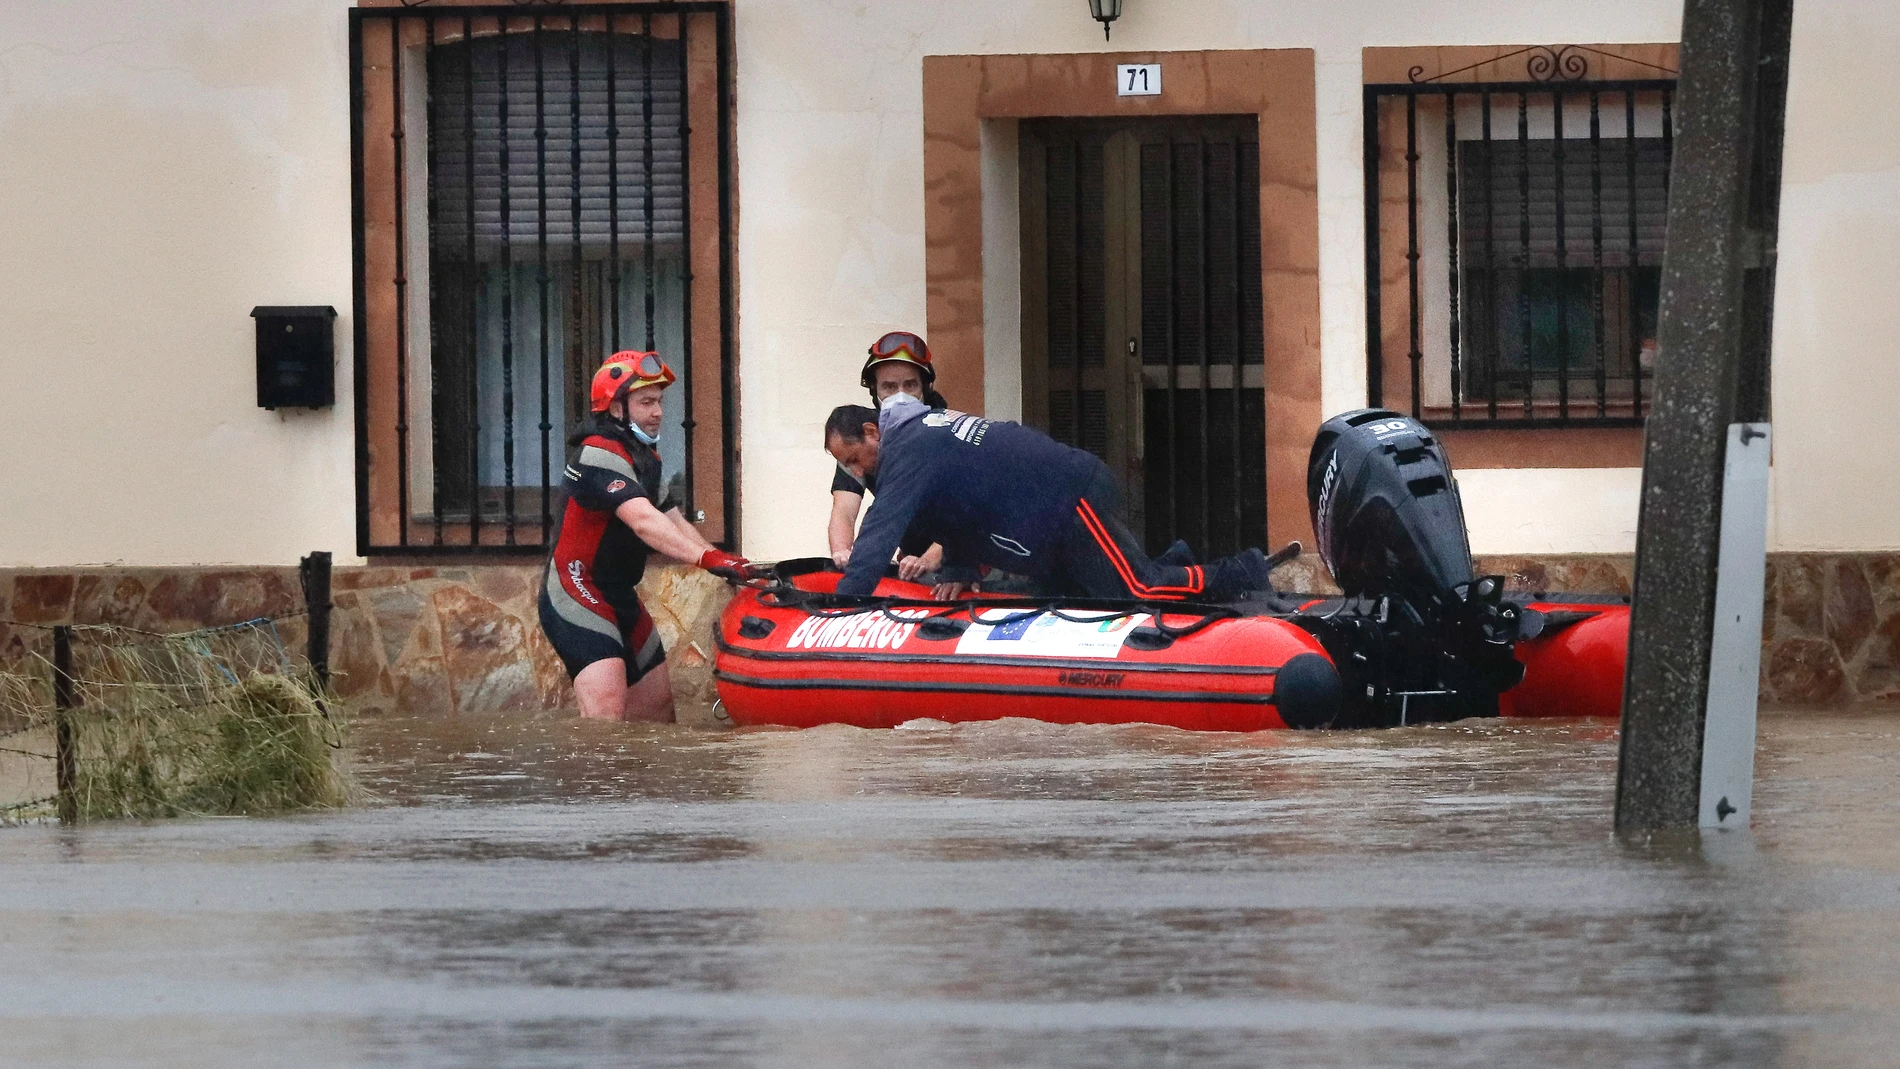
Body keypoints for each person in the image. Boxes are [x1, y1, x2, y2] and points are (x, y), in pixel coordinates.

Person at [826, 395, 1277, 601]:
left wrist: (842, 606)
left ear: (872, 431)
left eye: (856, 460)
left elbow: (880, 531)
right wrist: (960, 569)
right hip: (1044, 522)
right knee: (1085, 597)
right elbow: (956, 504)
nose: (859, 473)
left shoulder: (908, 445)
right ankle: (1174, 558)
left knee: (1136, 589)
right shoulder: (922, 437)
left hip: (1070, 498)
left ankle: (1243, 570)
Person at [540, 351, 754, 722]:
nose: (657, 412)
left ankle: (636, 784)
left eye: (659, 402)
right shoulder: (599, 453)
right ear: (616, 408)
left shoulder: (644, 458)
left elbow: (672, 519)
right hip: (577, 590)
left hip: (618, 594)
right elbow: (643, 521)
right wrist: (705, 559)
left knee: (657, 717)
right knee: (606, 720)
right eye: (645, 402)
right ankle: (589, 782)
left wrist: (722, 561)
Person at [828, 330, 948, 578]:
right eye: (889, 387)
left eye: (910, 385)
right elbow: (844, 510)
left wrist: (929, 559)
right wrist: (843, 554)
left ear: (926, 387)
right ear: (875, 391)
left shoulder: (950, 435)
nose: (900, 395)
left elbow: (972, 514)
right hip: (910, 567)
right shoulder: (863, 443)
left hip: (962, 562)